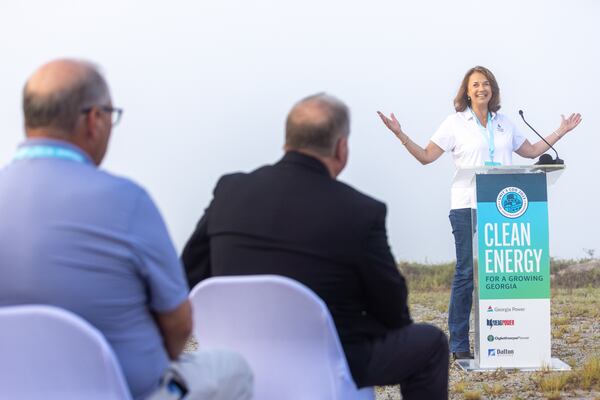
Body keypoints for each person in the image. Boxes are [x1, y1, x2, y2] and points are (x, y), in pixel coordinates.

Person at [0, 59, 252, 400]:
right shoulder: (127, 201)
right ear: (94, 120)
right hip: (128, 391)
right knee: (232, 366)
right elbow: (180, 327)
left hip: (15, 388)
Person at [182, 93, 449, 399]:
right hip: (327, 370)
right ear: (341, 149)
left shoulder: (229, 191)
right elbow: (394, 314)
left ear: (287, 142)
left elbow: (187, 278)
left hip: (235, 366)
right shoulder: (360, 211)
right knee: (429, 344)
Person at [377, 65, 582, 359]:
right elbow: (426, 157)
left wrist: (561, 130)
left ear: (493, 89)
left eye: (486, 84)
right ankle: (459, 344)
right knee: (465, 272)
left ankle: (511, 340)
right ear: (467, 91)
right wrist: (400, 134)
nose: (481, 89)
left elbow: (532, 151)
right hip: (466, 204)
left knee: (501, 270)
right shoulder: (454, 123)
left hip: (501, 206)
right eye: (475, 85)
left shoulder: (506, 123)